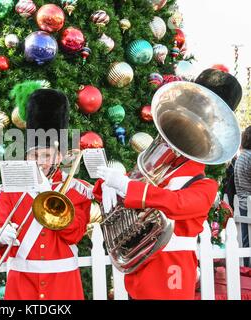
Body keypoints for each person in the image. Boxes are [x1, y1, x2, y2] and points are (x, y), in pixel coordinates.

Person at [93, 70, 242, 300]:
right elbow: (129, 205)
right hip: (139, 273)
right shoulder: (157, 172)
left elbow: (176, 204)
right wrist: (108, 187)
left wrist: (129, 187)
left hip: (172, 276)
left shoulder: (205, 186)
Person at [0, 89, 92, 300]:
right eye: (34, 155)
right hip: (22, 285)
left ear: (60, 155)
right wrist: (0, 237)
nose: (41, 162)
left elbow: (75, 234)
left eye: (46, 155)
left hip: (62, 285)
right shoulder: (12, 188)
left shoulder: (76, 189)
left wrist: (50, 195)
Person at [234, 126, 251, 266]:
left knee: (245, 240)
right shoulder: (249, 156)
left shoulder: (242, 155)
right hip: (248, 201)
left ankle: (246, 266)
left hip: (242, 201)